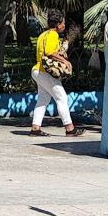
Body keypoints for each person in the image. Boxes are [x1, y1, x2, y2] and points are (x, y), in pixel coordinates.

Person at [30, 9, 83, 137]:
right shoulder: (53, 35)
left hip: (37, 70)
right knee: (62, 97)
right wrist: (66, 61)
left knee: (43, 99)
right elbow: (49, 52)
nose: (64, 25)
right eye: (63, 23)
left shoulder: (43, 34)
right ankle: (69, 128)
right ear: (58, 24)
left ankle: (35, 128)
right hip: (44, 72)